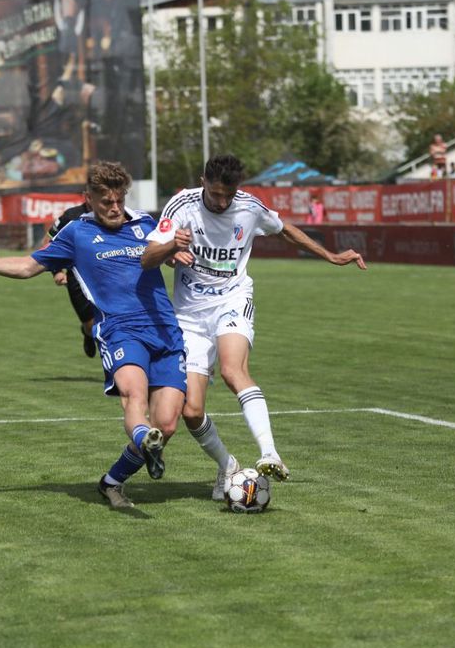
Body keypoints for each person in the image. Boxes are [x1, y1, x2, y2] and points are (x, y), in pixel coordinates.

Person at [0, 160, 185, 510]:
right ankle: (142, 436)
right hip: (119, 331)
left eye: (119, 200)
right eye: (106, 202)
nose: (114, 208)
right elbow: (27, 266)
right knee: (134, 396)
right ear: (89, 199)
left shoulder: (145, 224)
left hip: (165, 330)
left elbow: (170, 257)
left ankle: (112, 481)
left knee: (167, 424)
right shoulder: (75, 234)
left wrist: (179, 251)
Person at [141, 153, 367, 500]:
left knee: (233, 371)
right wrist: (172, 247)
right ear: (203, 182)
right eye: (216, 194)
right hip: (189, 316)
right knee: (192, 411)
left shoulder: (249, 206)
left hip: (233, 300)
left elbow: (284, 229)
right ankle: (227, 465)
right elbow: (148, 258)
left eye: (228, 195)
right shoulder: (182, 205)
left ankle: (270, 453)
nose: (222, 202)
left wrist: (330, 256)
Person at [46, 201, 99, 357]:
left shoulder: (110, 215)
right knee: (90, 325)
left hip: (102, 274)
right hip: (76, 276)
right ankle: (87, 332)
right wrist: (56, 271)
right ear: (87, 195)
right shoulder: (71, 215)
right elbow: (51, 240)